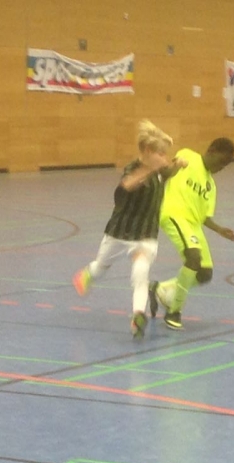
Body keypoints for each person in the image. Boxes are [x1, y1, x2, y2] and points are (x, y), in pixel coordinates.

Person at [72, 121, 185, 339]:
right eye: (161, 154)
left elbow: (168, 171)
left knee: (140, 273)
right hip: (120, 232)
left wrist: (177, 165)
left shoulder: (161, 170)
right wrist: (149, 170)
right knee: (101, 266)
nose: (165, 159)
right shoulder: (133, 170)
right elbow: (127, 185)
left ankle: (138, 316)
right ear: (148, 151)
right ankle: (87, 274)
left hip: (145, 235)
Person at [150, 138, 234, 330]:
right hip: (174, 215)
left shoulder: (210, 186)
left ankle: (161, 289)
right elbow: (169, 170)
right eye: (221, 162)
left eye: (225, 166)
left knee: (204, 273)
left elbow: (204, 217)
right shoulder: (188, 155)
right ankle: (174, 311)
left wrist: (219, 229)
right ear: (211, 151)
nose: (221, 168)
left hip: (193, 226)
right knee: (193, 257)